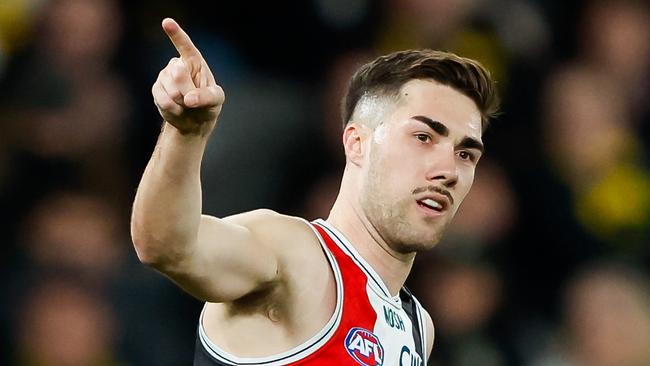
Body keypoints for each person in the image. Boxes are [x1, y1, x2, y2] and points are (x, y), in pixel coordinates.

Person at [131, 18, 499, 366]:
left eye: (465, 153)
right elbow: (167, 245)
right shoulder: (292, 253)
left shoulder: (418, 327)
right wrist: (186, 134)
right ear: (356, 143)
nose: (449, 170)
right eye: (423, 137)